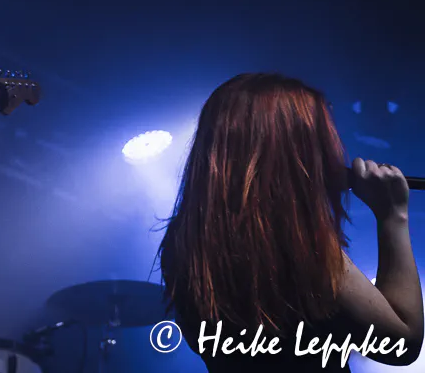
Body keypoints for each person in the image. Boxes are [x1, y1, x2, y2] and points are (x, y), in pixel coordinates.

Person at [157, 73, 424, 371]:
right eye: (318, 141)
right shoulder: (299, 249)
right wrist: (392, 216)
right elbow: (401, 345)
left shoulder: (184, 246)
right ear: (290, 151)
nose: (331, 153)